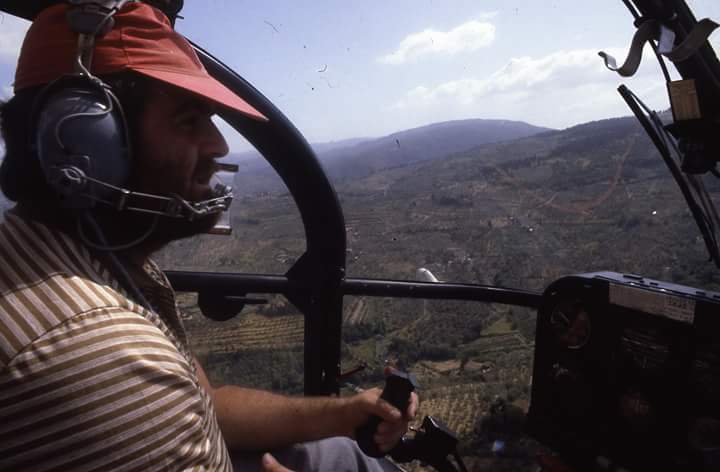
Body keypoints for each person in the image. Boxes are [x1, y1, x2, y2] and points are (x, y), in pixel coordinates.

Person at [0, 2, 417, 471]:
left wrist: (343, 412)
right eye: (189, 119)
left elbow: (206, 405)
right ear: (86, 143)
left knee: (341, 452)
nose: (218, 146)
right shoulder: (100, 351)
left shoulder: (73, 255)